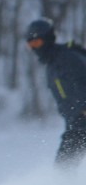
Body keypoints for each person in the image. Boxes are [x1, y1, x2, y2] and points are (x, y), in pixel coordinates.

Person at [26, 18, 86, 170]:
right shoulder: (52, 65)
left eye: (37, 43)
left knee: (63, 167)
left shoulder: (68, 57)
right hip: (76, 124)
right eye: (30, 45)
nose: (34, 48)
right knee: (63, 167)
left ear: (47, 39)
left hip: (82, 120)